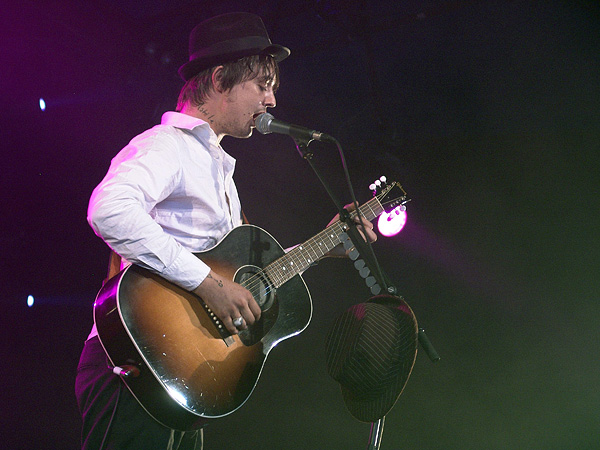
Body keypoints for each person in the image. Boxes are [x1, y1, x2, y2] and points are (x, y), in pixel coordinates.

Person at [75, 12, 376, 450]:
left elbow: (241, 276)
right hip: (133, 365)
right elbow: (108, 210)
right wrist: (209, 284)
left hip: (185, 375)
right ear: (219, 80)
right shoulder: (167, 146)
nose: (272, 100)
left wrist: (327, 245)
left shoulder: (217, 168)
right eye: (262, 85)